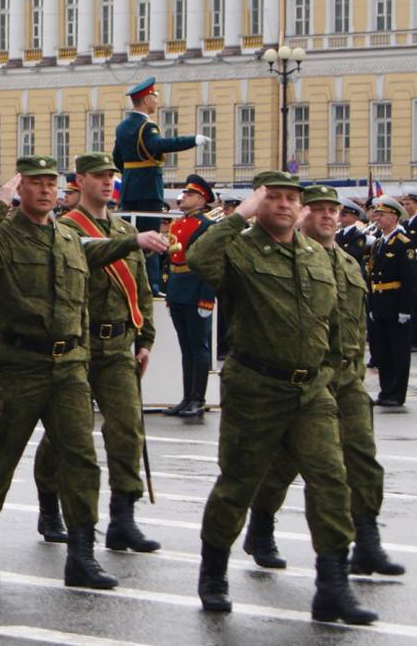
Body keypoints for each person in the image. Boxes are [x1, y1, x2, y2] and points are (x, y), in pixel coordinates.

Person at [0, 155, 167, 589]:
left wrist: (134, 244)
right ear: (22, 188)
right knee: (2, 456)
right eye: (35, 183)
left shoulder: (67, 238)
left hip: (70, 363)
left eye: (50, 184)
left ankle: (81, 556)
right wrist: (0, 205)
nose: (44, 191)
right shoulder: (3, 236)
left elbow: (100, 265)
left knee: (81, 459)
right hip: (20, 364)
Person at [188, 171, 374, 625]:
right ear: (260, 203)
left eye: (293, 199)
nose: (286, 206)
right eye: (275, 198)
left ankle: (332, 584)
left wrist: (330, 372)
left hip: (312, 389)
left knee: (331, 480)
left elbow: (331, 319)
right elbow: (198, 257)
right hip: (257, 387)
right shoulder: (240, 249)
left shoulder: (316, 255)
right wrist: (239, 217)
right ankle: (213, 571)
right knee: (239, 482)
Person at [243, 185, 404, 579]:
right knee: (287, 462)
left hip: (348, 380)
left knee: (363, 461)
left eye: (334, 210)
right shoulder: (292, 259)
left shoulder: (349, 263)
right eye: (318, 210)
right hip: (308, 381)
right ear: (302, 215)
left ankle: (366, 543)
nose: (328, 216)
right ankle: (260, 526)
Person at [32, 152, 158, 552]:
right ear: (80, 179)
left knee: (126, 430)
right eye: (100, 176)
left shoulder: (123, 228)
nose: (108, 183)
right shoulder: (66, 229)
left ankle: (123, 518)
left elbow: (140, 288)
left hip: (120, 344)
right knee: (65, 434)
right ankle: (50, 505)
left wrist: (146, 338)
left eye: (111, 176)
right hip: (79, 345)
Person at [113, 76, 207, 296]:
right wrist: (192, 140)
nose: (157, 100)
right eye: (155, 96)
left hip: (129, 187)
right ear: (146, 99)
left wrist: (129, 173)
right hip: (148, 187)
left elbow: (117, 157)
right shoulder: (147, 126)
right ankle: (152, 285)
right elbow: (158, 145)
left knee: (128, 236)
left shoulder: (122, 126)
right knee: (151, 238)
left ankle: (127, 280)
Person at [164, 176, 217, 417]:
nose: (183, 197)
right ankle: (187, 397)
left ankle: (198, 398)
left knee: (199, 347)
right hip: (178, 289)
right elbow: (171, 260)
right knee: (186, 347)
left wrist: (207, 297)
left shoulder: (207, 226)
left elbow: (211, 263)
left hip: (197, 289)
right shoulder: (178, 224)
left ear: (200, 199)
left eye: (188, 194)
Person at [365, 196, 416, 407]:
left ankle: (397, 393)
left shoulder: (404, 245)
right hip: (379, 303)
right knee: (382, 352)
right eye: (376, 214)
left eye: (382, 215)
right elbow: (372, 275)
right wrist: (371, 305)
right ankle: (385, 391)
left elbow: (410, 280)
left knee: (398, 352)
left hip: (396, 305)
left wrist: (406, 309)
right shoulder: (378, 243)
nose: (377, 218)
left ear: (394, 217)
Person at [334, 203, 370, 270]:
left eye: (344, 216)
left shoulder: (359, 236)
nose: (340, 218)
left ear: (354, 218)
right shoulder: (338, 234)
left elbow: (353, 255)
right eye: (340, 215)